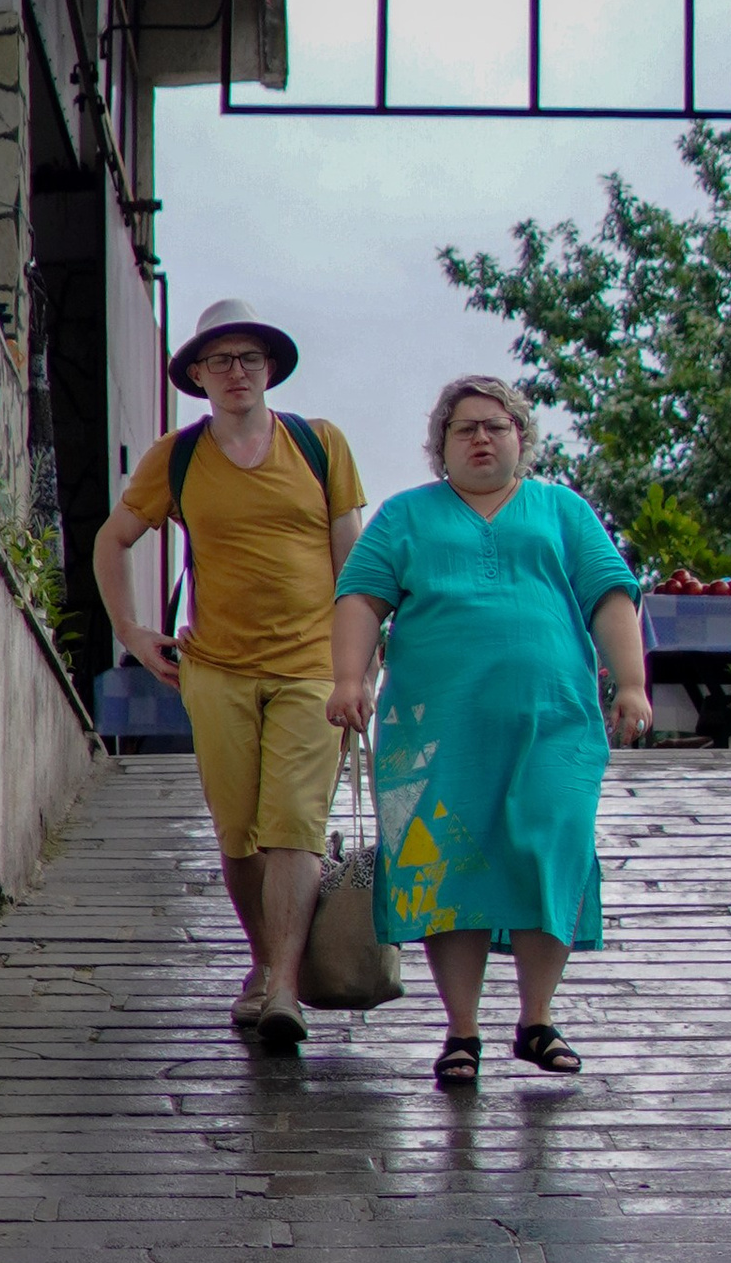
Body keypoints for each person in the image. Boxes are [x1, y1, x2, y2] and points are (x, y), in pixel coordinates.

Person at [326, 373, 650, 1089]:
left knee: (552, 850)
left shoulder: (562, 510)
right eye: (464, 427)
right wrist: (350, 680)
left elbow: (609, 594)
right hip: (434, 733)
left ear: (521, 441)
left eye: (496, 426)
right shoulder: (407, 517)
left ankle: (537, 1020)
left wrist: (630, 683)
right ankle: (461, 1031)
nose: (480, 438)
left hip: (555, 723)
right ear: (440, 444)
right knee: (449, 867)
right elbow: (359, 597)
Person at [92, 298, 365, 1055]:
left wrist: (358, 667)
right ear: (199, 377)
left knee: (293, 825)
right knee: (239, 833)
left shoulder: (320, 446)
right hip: (215, 673)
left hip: (313, 669)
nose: (236, 372)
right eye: (221, 361)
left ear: (270, 368)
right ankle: (263, 964)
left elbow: (357, 564)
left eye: (248, 358)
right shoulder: (176, 457)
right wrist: (133, 633)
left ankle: (282, 984)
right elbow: (114, 541)